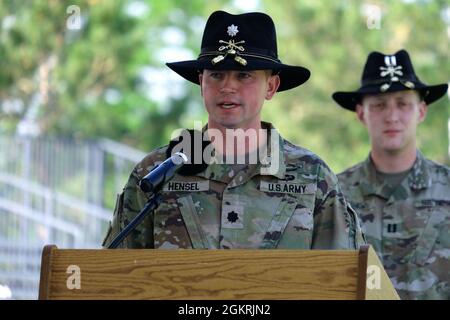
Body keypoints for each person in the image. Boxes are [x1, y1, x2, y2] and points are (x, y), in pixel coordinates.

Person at [102, 10, 364, 250]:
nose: (228, 87)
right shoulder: (157, 173)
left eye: (244, 75)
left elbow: (345, 279)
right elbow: (115, 276)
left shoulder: (312, 177)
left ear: (271, 86)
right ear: (201, 82)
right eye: (216, 75)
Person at [333, 49, 449, 299]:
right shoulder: (334, 195)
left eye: (403, 104)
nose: (392, 116)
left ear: (421, 111)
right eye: (379, 105)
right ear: (361, 113)